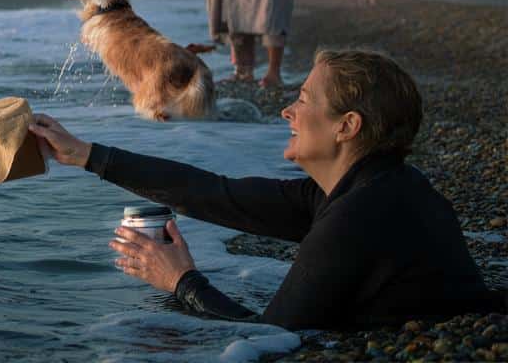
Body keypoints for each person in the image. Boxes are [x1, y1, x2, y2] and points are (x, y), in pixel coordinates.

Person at [29, 50, 502, 330]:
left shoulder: (358, 216)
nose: (286, 112)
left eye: (303, 100)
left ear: (347, 127)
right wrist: (84, 154)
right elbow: (212, 192)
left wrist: (181, 281)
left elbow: (269, 333)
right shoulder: (371, 187)